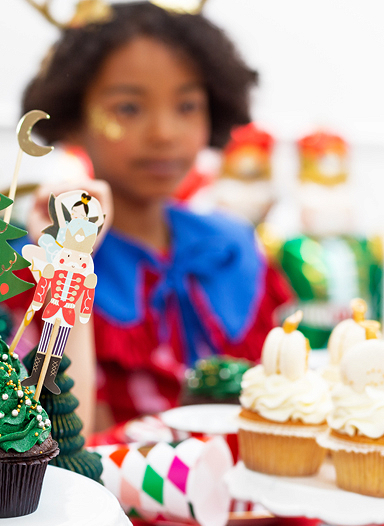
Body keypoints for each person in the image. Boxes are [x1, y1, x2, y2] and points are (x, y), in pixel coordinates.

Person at [20, 2, 293, 428]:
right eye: (128, 108)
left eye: (187, 106)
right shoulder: (42, 262)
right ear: (73, 118)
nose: (164, 133)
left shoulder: (233, 247)